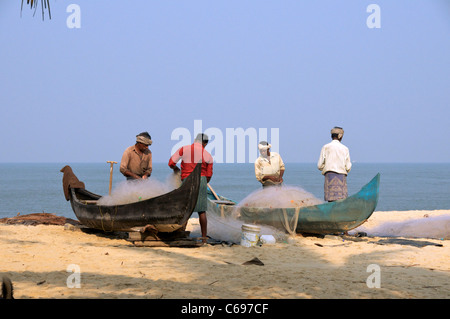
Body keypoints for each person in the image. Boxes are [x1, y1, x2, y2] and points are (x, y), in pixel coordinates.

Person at [168, 133, 213, 242]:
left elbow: (171, 162)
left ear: (195, 140)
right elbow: (209, 175)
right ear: (205, 143)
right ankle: (204, 238)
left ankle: (182, 234)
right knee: (202, 211)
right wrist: (203, 182)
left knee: (185, 208)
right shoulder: (207, 154)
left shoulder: (183, 149)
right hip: (201, 180)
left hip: (186, 180)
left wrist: (175, 169)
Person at [317, 126, 352, 202]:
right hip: (341, 176)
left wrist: (326, 166)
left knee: (330, 200)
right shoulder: (345, 149)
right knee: (341, 200)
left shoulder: (326, 147)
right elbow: (348, 167)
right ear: (340, 136)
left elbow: (319, 165)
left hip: (329, 176)